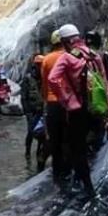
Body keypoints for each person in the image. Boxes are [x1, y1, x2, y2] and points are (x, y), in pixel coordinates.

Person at [48, 23, 108, 199]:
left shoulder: (67, 58)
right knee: (92, 144)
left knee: (77, 149)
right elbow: (104, 80)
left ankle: (87, 187)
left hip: (78, 109)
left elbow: (53, 79)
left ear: (66, 41)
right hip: (96, 106)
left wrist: (66, 98)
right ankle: (83, 182)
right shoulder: (93, 55)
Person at [41, 29, 70, 184]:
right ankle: (68, 170)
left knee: (55, 139)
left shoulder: (47, 60)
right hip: (68, 102)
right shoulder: (69, 56)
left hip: (52, 102)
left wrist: (45, 100)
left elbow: (45, 84)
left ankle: (57, 174)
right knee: (68, 137)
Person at [20, 54, 46, 164]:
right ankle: (27, 152)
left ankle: (39, 152)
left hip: (41, 109)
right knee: (30, 132)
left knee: (42, 132)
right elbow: (24, 96)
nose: (40, 67)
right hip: (31, 110)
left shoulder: (44, 78)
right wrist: (27, 112)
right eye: (39, 64)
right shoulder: (28, 78)